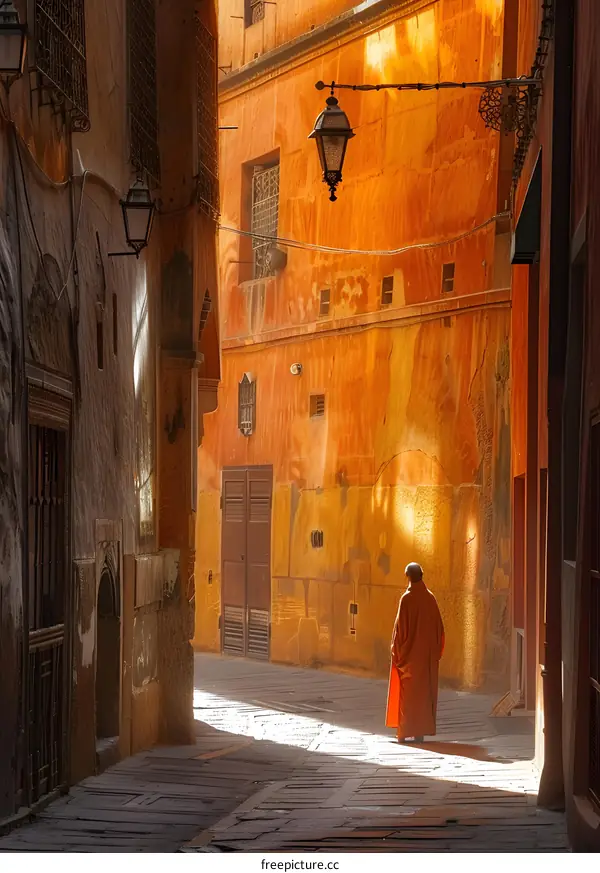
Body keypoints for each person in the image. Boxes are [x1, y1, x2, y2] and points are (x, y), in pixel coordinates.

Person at [385, 562, 445, 743]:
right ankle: (420, 732)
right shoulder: (430, 599)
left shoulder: (407, 599)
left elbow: (400, 630)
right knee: (423, 696)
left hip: (409, 657)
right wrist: (434, 653)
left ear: (408, 577)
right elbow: (439, 631)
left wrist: (396, 652)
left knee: (408, 696)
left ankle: (404, 732)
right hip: (425, 659)